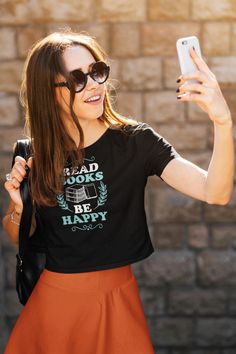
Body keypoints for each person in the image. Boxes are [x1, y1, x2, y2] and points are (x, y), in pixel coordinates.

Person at [2, 30, 234, 354]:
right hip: (54, 308)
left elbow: (216, 192)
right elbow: (22, 238)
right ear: (49, 92)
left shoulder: (136, 143)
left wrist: (222, 121)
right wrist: (17, 207)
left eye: (96, 71)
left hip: (117, 302)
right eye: (77, 79)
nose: (94, 84)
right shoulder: (33, 155)